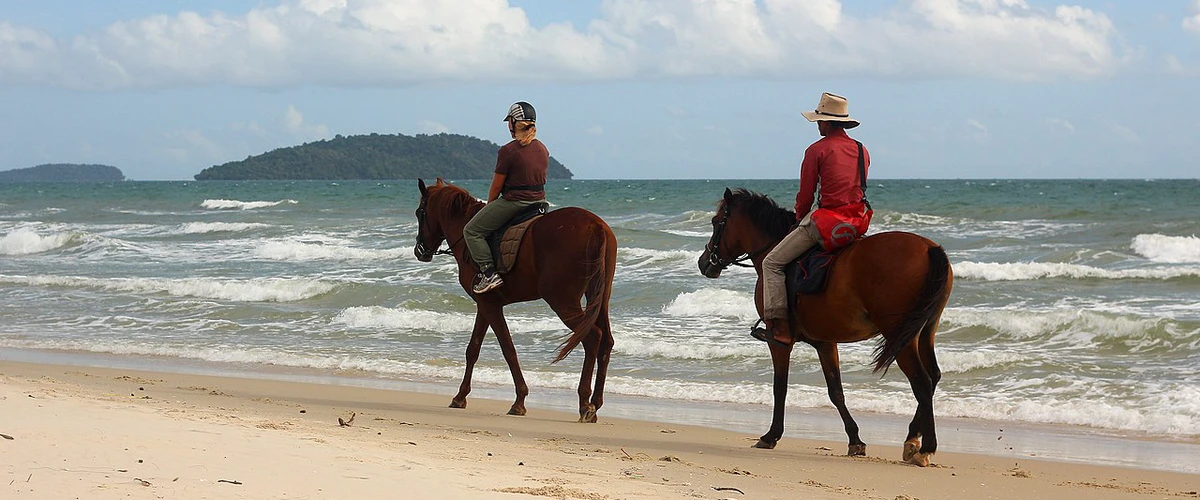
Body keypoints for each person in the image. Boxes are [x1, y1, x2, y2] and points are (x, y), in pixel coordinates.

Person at [754, 92, 871, 347]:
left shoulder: (816, 150)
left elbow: (805, 195)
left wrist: (798, 220)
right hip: (857, 222)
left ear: (827, 122)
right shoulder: (862, 150)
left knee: (772, 263)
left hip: (827, 223)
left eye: (819, 120)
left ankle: (780, 327)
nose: (817, 124)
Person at [463, 101, 549, 294]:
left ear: (512, 123)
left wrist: (489, 205)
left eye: (509, 121)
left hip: (515, 202)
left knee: (471, 231)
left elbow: (496, 187)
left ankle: (488, 273)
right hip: (540, 202)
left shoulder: (508, 151)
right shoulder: (542, 148)